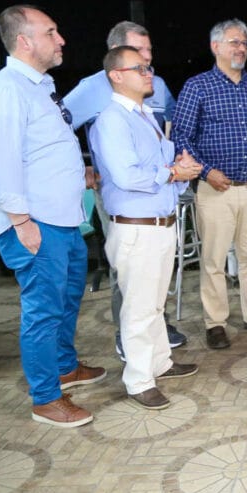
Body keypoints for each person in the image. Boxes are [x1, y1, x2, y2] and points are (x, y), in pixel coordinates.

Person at [0, 5, 105, 428]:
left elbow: (42, 151)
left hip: (63, 219)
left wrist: (77, 172)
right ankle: (46, 398)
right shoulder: (6, 90)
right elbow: (2, 161)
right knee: (43, 311)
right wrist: (21, 222)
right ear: (25, 41)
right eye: (51, 32)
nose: (61, 39)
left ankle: (65, 367)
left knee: (66, 300)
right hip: (35, 223)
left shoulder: (40, 86)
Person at [63, 20, 187, 356]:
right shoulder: (93, 89)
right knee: (129, 274)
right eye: (140, 54)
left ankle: (154, 341)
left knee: (153, 284)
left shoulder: (154, 86)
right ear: (116, 59)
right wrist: (80, 167)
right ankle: (128, 341)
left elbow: (172, 126)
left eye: (149, 54)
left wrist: (179, 169)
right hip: (127, 202)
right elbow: (57, 126)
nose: (149, 62)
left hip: (158, 198)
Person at [89, 46, 201, 409]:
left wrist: (180, 168)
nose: (148, 73)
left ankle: (160, 362)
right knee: (137, 308)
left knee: (153, 304)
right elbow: (125, 176)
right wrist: (172, 172)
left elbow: (164, 171)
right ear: (116, 76)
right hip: (136, 227)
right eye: (139, 68)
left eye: (149, 67)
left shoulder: (144, 116)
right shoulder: (111, 120)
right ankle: (138, 380)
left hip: (160, 224)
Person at [172, 19, 247, 350]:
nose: (241, 48)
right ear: (216, 47)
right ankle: (215, 322)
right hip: (215, 189)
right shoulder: (198, 86)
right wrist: (206, 171)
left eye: (244, 43)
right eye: (234, 42)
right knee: (214, 259)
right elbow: (181, 134)